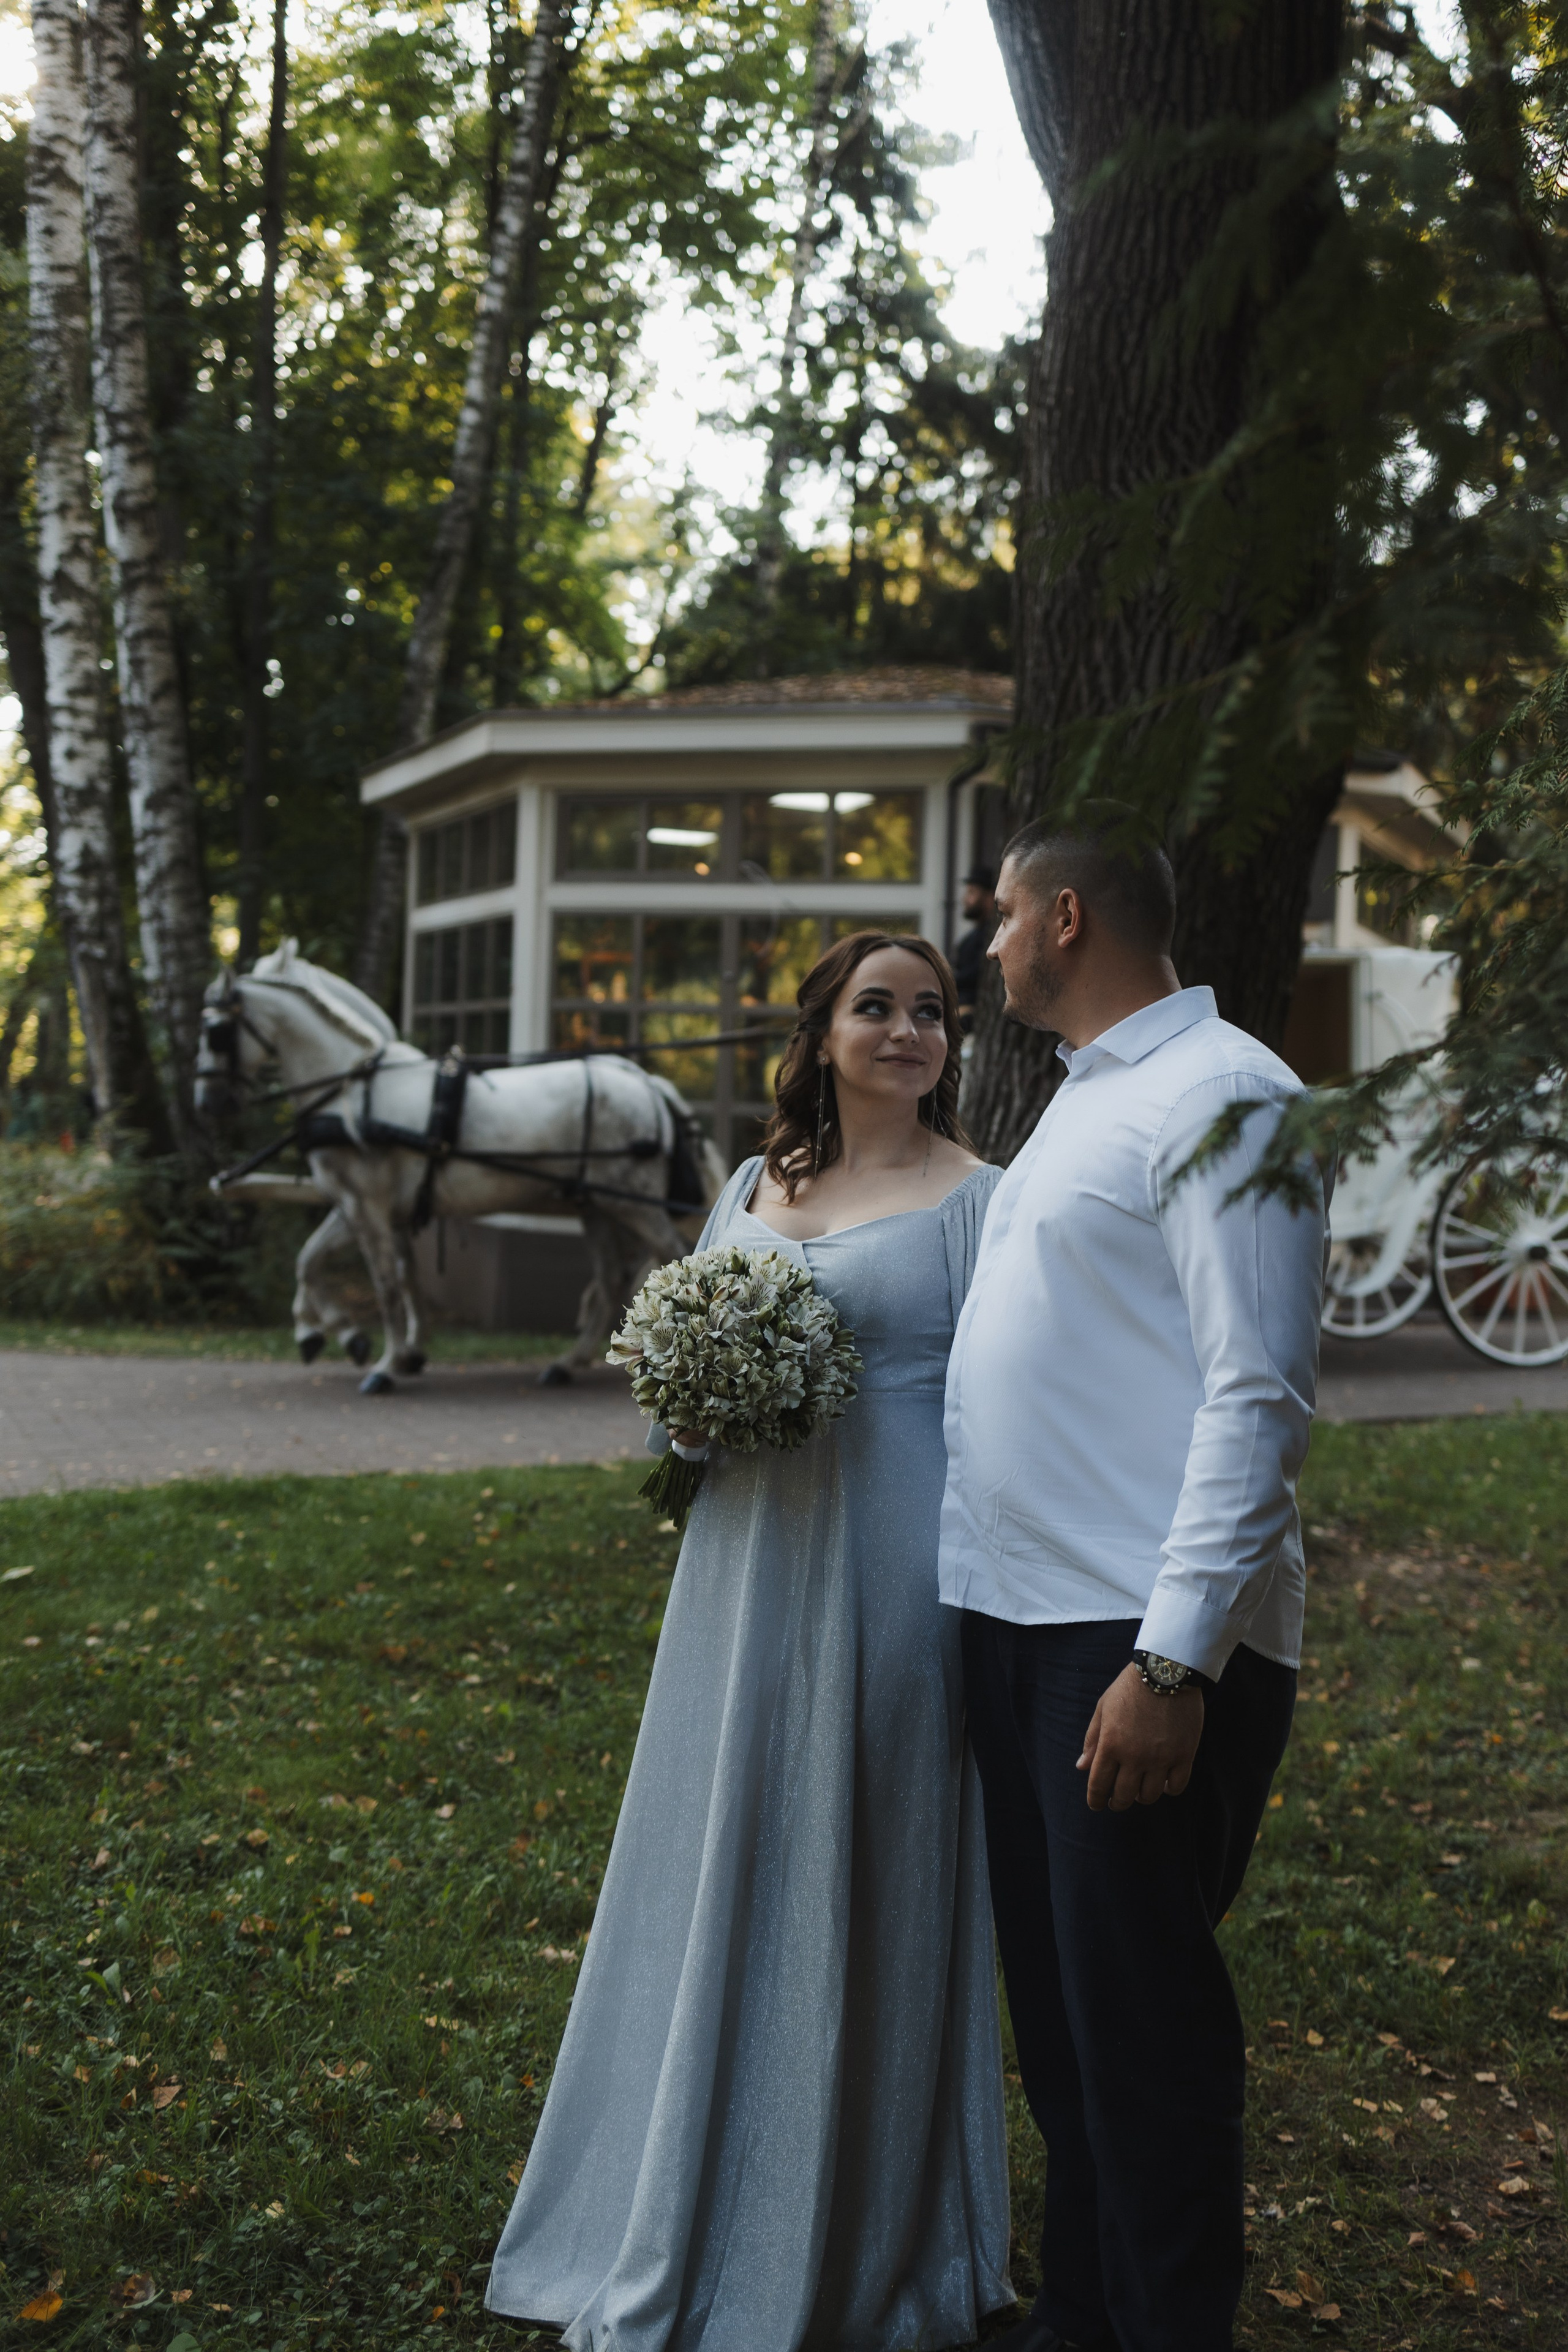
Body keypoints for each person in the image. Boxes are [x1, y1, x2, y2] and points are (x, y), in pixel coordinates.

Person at [488, 931, 1014, 2352]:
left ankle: (861, 2228)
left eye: (932, 1011)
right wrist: (690, 1399)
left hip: (898, 1557)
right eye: (876, 1006)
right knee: (735, 1831)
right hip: (743, 1558)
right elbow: (673, 1397)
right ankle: (688, 2183)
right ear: (822, 1028)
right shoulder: (751, 1183)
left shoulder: (984, 1201)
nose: (907, 1029)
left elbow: (1010, 1413)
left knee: (871, 1851)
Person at [940, 812, 1329, 2352]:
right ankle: (1078, 2321)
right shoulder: (1083, 1100)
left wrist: (1169, 1665)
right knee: (1064, 2031)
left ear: (1062, 917)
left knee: (1144, 2034)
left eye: (995, 915)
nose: (980, 945)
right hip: (1021, 1625)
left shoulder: (1225, 1092)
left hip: (1129, 1640)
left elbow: (1258, 1398)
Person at [952, 864, 997, 1026]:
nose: (965, 899)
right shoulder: (971, 938)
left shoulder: (993, 937)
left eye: (972, 893)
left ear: (990, 897)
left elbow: (978, 972)